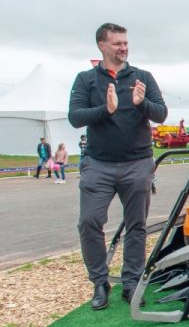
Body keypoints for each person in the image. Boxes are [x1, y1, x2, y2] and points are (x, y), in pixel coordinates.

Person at [68, 23, 168, 310]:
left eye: (125, 43)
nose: (123, 48)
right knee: (89, 222)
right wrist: (106, 110)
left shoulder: (143, 77)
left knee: (137, 226)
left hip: (137, 163)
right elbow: (75, 117)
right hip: (98, 165)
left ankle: (132, 281)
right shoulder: (86, 80)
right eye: (117, 43)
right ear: (102, 45)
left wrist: (141, 103)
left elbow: (161, 114)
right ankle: (100, 282)